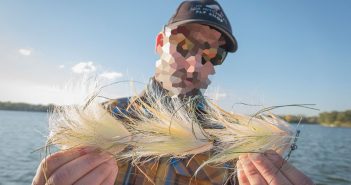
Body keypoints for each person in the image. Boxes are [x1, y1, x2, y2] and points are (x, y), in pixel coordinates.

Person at [32, 0, 314, 184]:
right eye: (184, 43)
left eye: (214, 53)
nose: (195, 63)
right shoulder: (100, 120)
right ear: (160, 42)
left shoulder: (233, 143)